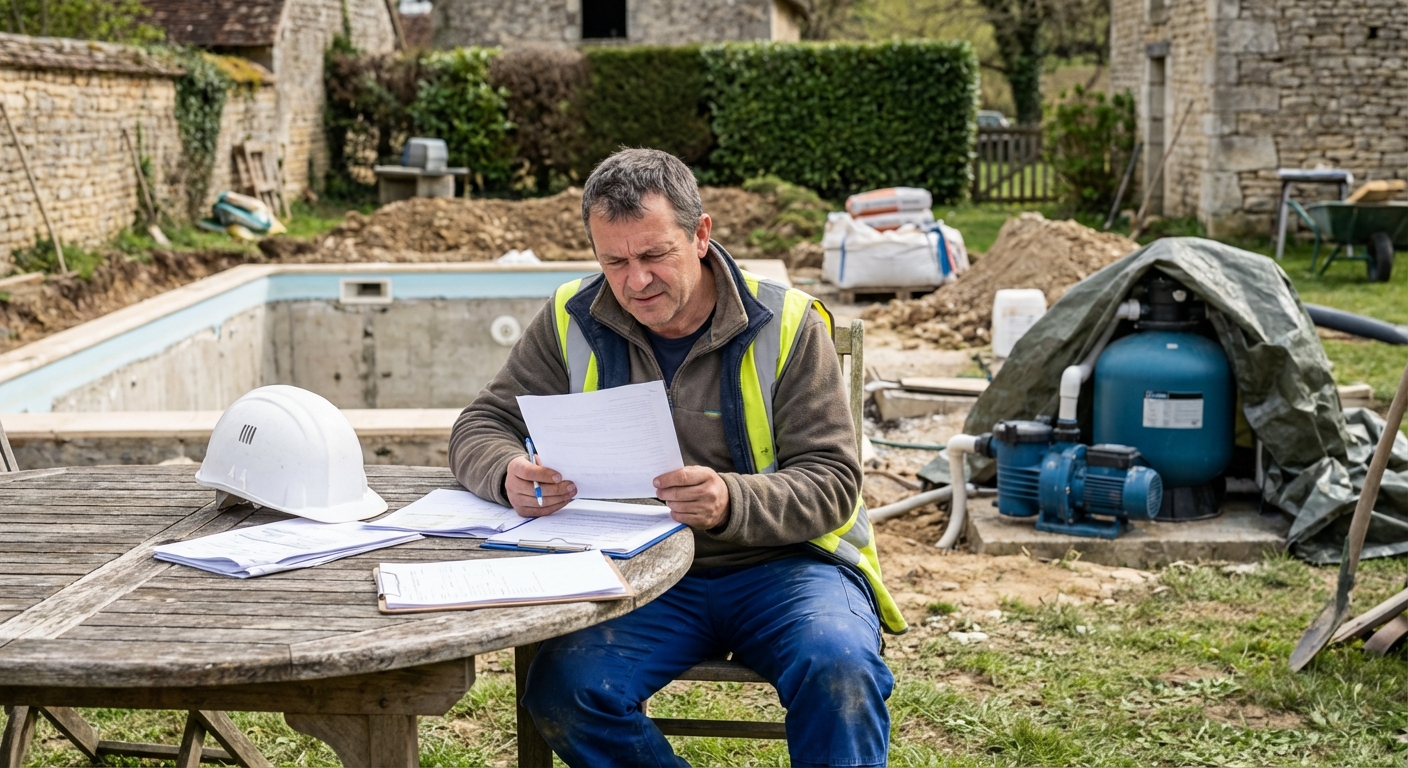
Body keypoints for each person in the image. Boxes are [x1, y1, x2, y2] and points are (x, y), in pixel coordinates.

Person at [449, 148, 906, 767]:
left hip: (786, 568)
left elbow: (832, 483)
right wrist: (506, 471)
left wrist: (729, 499)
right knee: (565, 690)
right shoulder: (571, 318)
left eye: (654, 254)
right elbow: (482, 423)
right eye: (614, 260)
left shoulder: (789, 323)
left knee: (840, 670)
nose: (635, 280)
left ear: (700, 235)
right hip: (636, 575)